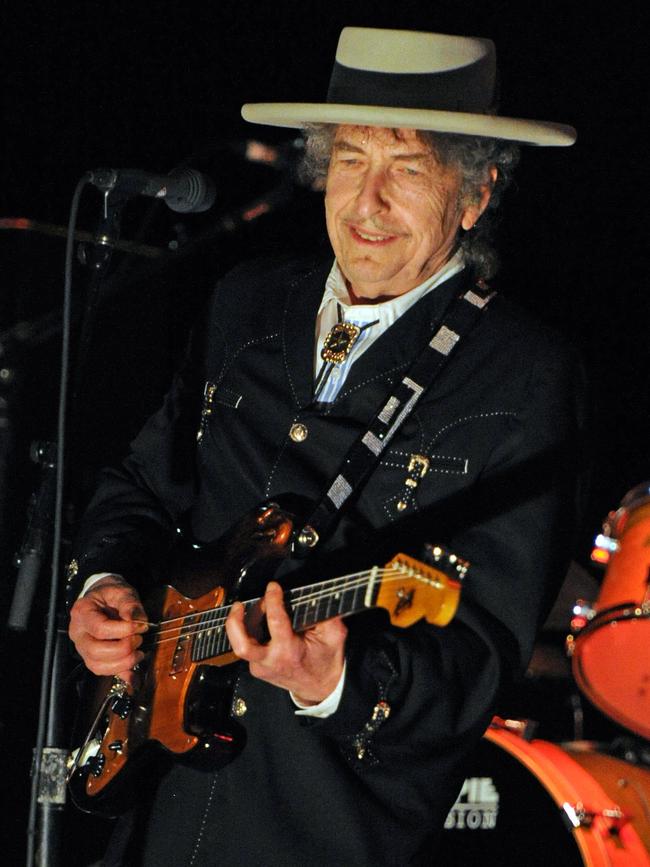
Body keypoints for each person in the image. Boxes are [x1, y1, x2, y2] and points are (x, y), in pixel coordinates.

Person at [67, 26, 583, 866]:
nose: (367, 201)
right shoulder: (245, 302)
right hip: (154, 812)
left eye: (407, 168)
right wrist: (106, 582)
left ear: (477, 191)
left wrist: (332, 679)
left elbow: (479, 651)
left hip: (324, 825)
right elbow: (142, 482)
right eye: (349, 160)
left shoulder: (524, 374)